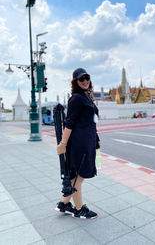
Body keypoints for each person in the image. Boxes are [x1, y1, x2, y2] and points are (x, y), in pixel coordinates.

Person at [55, 68, 100, 219]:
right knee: (78, 176)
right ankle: (79, 209)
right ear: (75, 82)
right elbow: (70, 123)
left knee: (80, 175)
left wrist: (97, 138)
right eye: (81, 79)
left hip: (88, 141)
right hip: (79, 143)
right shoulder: (76, 99)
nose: (85, 81)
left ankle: (64, 203)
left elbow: (91, 121)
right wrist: (62, 144)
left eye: (87, 78)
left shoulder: (86, 97)